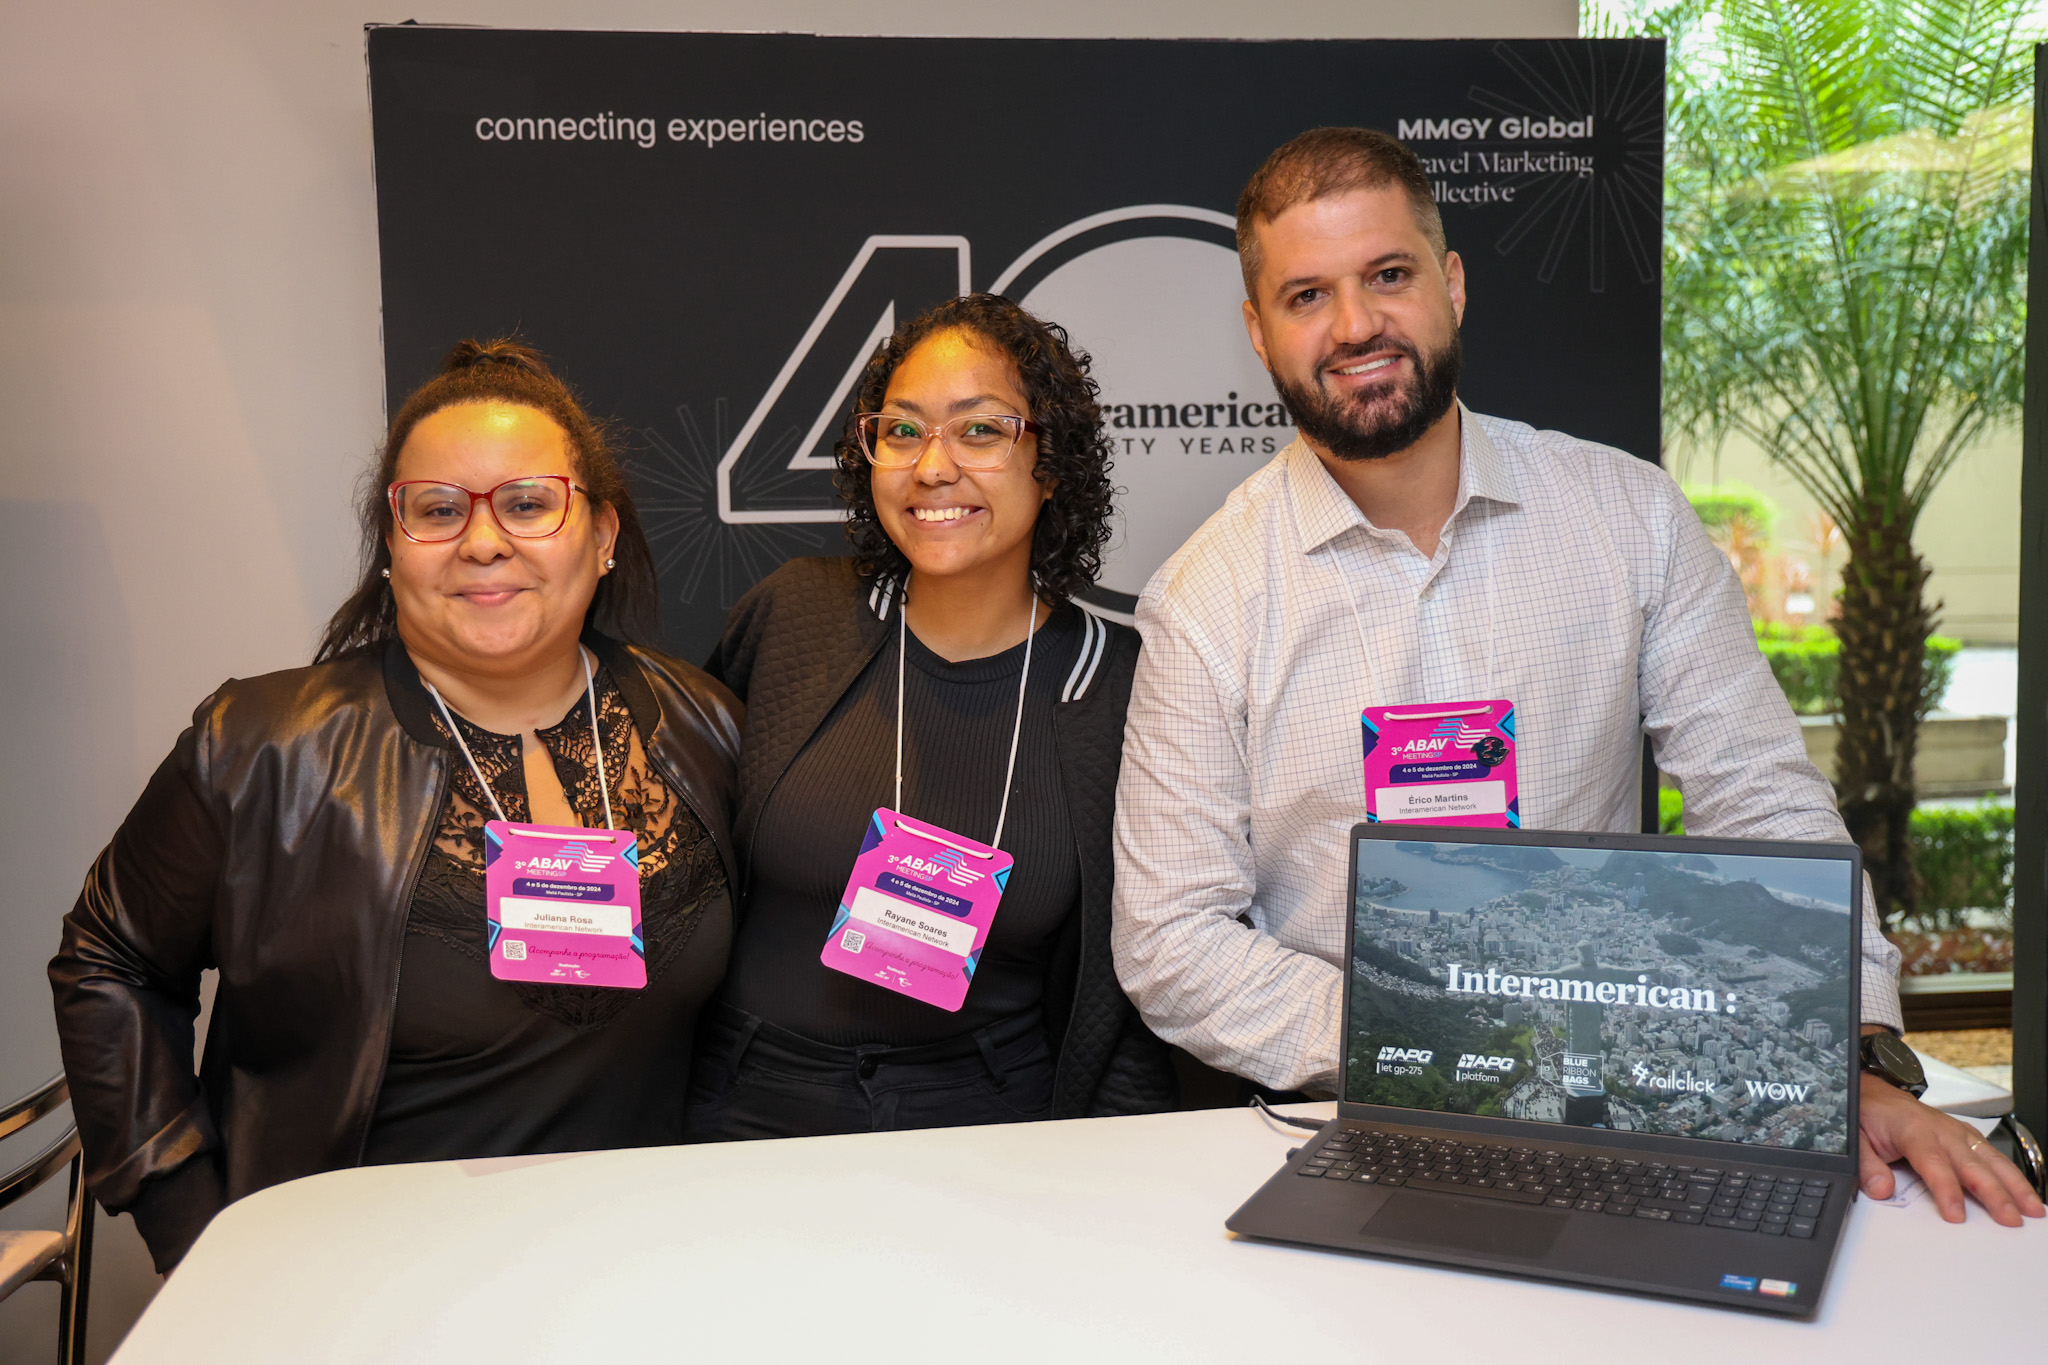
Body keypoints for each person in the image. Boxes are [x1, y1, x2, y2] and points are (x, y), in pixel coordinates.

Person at [1110, 127, 2043, 1225]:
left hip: (1632, 1111)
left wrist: (1851, 1054)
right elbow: (1170, 939)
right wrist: (1443, 1036)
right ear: (1258, 332)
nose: (1356, 324)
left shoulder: (1626, 517)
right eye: (1306, 294)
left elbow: (1759, 801)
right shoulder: (1205, 599)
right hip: (1340, 1126)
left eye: (1389, 275)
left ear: (1451, 286)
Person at [49, 339, 743, 1272]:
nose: (484, 540)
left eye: (530, 503)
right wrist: (193, 1226)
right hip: (357, 1285)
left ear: (605, 534)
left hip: (643, 1268)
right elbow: (109, 956)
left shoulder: (701, 726)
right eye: (438, 510)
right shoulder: (263, 747)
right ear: (392, 546)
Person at [684, 293, 1174, 1139]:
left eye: (979, 430)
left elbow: (1130, 994)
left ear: (1049, 462)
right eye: (903, 431)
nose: (932, 466)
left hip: (989, 1115)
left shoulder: (1118, 684)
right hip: (749, 1100)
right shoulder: (796, 616)